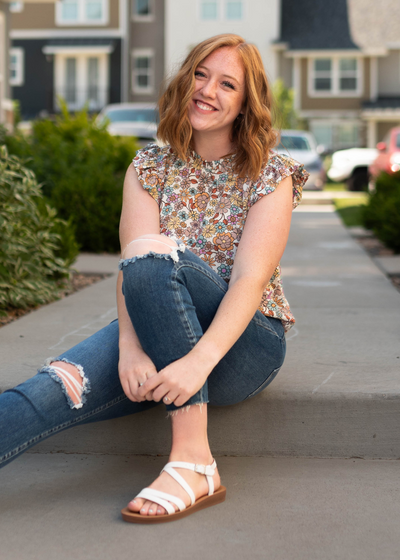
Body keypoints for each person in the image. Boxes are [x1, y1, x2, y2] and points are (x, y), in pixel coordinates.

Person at [0, 34, 308, 524]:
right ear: (183, 82)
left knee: (157, 253)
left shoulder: (271, 173)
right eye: (200, 75)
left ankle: (193, 460)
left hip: (244, 348)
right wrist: (130, 347)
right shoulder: (148, 167)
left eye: (227, 84)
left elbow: (250, 281)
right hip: (153, 332)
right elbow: (133, 272)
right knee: (53, 386)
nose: (208, 90)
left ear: (247, 103)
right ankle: (191, 458)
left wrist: (197, 363)